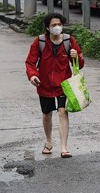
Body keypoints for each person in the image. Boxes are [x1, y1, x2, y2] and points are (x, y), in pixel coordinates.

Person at [24, 13, 84, 159]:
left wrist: (77, 57)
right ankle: (49, 142)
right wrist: (33, 75)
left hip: (64, 84)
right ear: (47, 28)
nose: (57, 27)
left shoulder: (69, 41)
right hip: (44, 84)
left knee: (63, 112)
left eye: (59, 24)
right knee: (47, 113)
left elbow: (79, 64)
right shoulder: (40, 42)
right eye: (53, 25)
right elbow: (30, 62)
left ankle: (64, 147)